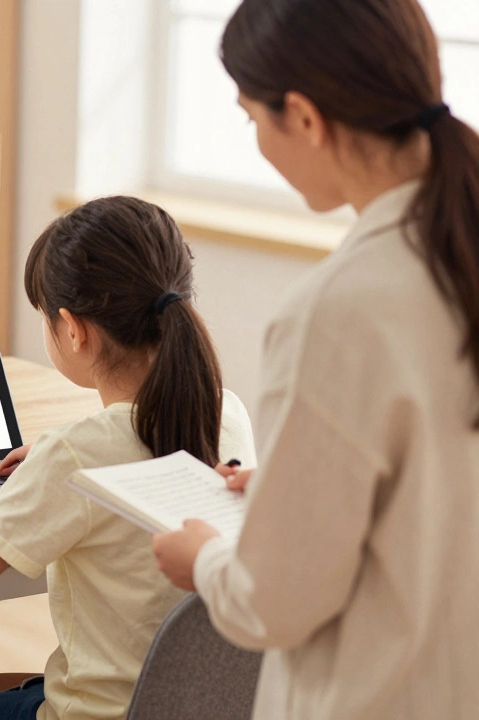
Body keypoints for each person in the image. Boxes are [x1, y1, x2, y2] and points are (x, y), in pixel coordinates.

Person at [151, 0, 479, 717]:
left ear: (302, 116)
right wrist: (296, 486)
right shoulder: (451, 255)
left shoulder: (341, 310)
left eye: (251, 118)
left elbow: (274, 604)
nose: (256, 142)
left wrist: (204, 558)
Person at [0, 196, 256, 720]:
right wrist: (58, 463)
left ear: (73, 329)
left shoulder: (75, 455)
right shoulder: (229, 412)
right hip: (198, 708)